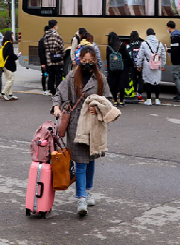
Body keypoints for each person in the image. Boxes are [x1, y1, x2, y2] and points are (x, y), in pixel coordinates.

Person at [52, 46, 112, 216]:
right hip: (75, 125)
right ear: (79, 60)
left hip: (93, 126)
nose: (86, 64)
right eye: (83, 61)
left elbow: (109, 100)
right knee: (80, 162)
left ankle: (88, 189)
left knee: (90, 160)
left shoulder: (100, 79)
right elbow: (59, 94)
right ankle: (81, 198)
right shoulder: (72, 77)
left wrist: (97, 107)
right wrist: (57, 107)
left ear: (95, 61)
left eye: (90, 61)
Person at [136, 28, 167, 106]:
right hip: (157, 64)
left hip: (147, 65)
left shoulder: (144, 44)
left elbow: (140, 56)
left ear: (147, 35)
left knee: (148, 82)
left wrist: (138, 65)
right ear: (154, 34)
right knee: (157, 82)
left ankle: (149, 100)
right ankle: (157, 99)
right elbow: (163, 55)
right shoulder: (160, 43)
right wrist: (163, 65)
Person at [106, 32, 131, 107]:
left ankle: (115, 101)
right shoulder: (122, 45)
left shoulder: (109, 47)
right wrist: (130, 65)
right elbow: (127, 56)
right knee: (121, 85)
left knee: (113, 85)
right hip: (122, 69)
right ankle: (122, 101)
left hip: (112, 70)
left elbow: (108, 59)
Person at [166, 20, 180, 102]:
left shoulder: (174, 37)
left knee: (176, 76)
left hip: (177, 60)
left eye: (167, 28)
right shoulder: (178, 35)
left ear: (169, 27)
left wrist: (168, 50)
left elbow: (176, 50)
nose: (167, 29)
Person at [44, 19, 65, 96]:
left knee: (51, 77)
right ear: (54, 26)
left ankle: (51, 91)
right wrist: (62, 53)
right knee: (58, 76)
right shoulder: (56, 35)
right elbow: (61, 47)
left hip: (49, 59)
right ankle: (58, 92)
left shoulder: (46, 36)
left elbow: (45, 47)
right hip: (57, 60)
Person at [0, 30, 19, 101]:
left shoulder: (4, 43)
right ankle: (3, 93)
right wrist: (17, 56)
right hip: (9, 64)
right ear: (10, 36)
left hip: (5, 64)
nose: (13, 36)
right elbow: (10, 55)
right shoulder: (9, 44)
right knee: (11, 80)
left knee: (8, 79)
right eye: (12, 35)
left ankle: (10, 94)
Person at [128, 31, 143, 97]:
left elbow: (128, 55)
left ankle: (134, 92)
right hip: (140, 65)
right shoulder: (141, 44)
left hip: (132, 65)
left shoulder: (129, 45)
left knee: (133, 78)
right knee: (140, 78)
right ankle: (140, 93)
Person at [38, 25, 51, 95]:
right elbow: (41, 52)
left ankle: (48, 89)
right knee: (45, 75)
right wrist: (42, 63)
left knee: (48, 75)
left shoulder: (46, 39)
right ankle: (45, 89)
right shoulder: (42, 40)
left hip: (48, 61)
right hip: (45, 61)